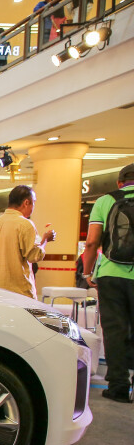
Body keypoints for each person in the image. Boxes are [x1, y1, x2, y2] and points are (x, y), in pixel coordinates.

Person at [80, 163, 134, 403]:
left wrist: (88, 272)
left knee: (114, 330)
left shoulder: (105, 201)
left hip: (112, 274)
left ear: (120, 182)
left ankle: (119, 386)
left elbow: (91, 243)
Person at [0, 185, 56, 298]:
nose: (33, 207)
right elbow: (34, 256)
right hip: (17, 291)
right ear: (26, 202)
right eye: (33, 202)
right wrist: (45, 240)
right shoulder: (24, 224)